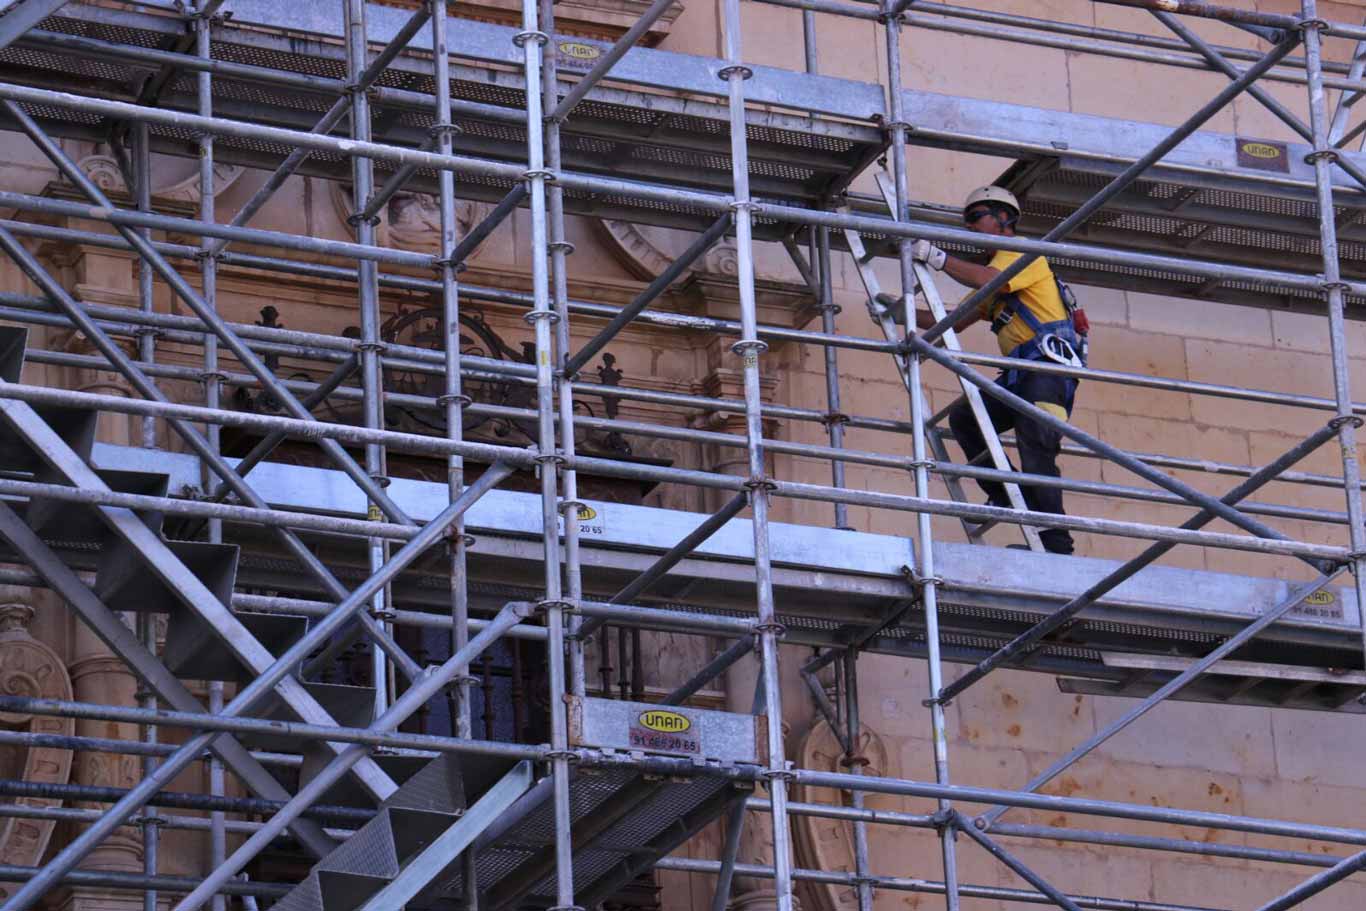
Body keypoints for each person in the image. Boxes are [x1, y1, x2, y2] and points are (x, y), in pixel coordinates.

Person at [908, 186, 1080, 555]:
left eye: (976, 216)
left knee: (1036, 451)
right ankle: (1004, 495)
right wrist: (897, 310)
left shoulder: (1023, 253)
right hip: (1021, 376)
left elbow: (986, 279)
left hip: (1048, 373)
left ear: (1005, 218)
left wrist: (937, 258)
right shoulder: (995, 273)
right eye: (967, 220)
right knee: (967, 419)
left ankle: (1056, 546)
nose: (969, 226)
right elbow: (950, 322)